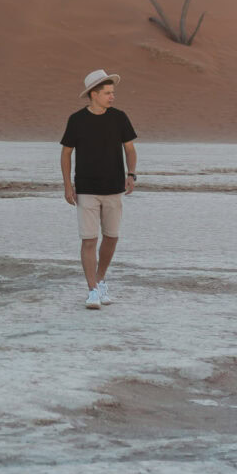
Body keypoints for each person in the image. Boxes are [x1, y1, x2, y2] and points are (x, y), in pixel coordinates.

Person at [60, 69, 138, 310]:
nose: (112, 97)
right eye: (107, 93)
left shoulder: (120, 117)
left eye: (112, 92)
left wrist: (131, 174)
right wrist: (67, 185)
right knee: (89, 240)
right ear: (93, 94)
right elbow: (66, 153)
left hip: (114, 188)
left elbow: (130, 149)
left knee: (112, 237)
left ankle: (101, 278)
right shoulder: (76, 120)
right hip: (85, 189)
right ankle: (92, 290)